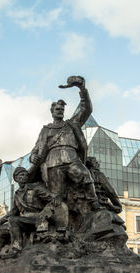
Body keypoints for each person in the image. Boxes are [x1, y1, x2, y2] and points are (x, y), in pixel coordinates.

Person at [29, 76, 100, 211]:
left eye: (62, 109)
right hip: (53, 164)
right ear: (52, 112)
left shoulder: (72, 123)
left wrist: (82, 89)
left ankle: (94, 202)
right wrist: (33, 157)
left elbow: (86, 109)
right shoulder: (46, 130)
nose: (60, 110)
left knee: (85, 176)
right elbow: (36, 148)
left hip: (71, 159)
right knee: (57, 197)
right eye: (57, 108)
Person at [0, 166, 60, 257]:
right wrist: (1, 221)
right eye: (22, 175)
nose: (24, 176)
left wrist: (52, 204)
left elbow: (54, 197)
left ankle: (16, 249)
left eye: (26, 175)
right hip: (24, 220)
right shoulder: (17, 194)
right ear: (16, 178)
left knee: (13, 220)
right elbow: (13, 212)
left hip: (37, 218)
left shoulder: (35, 188)